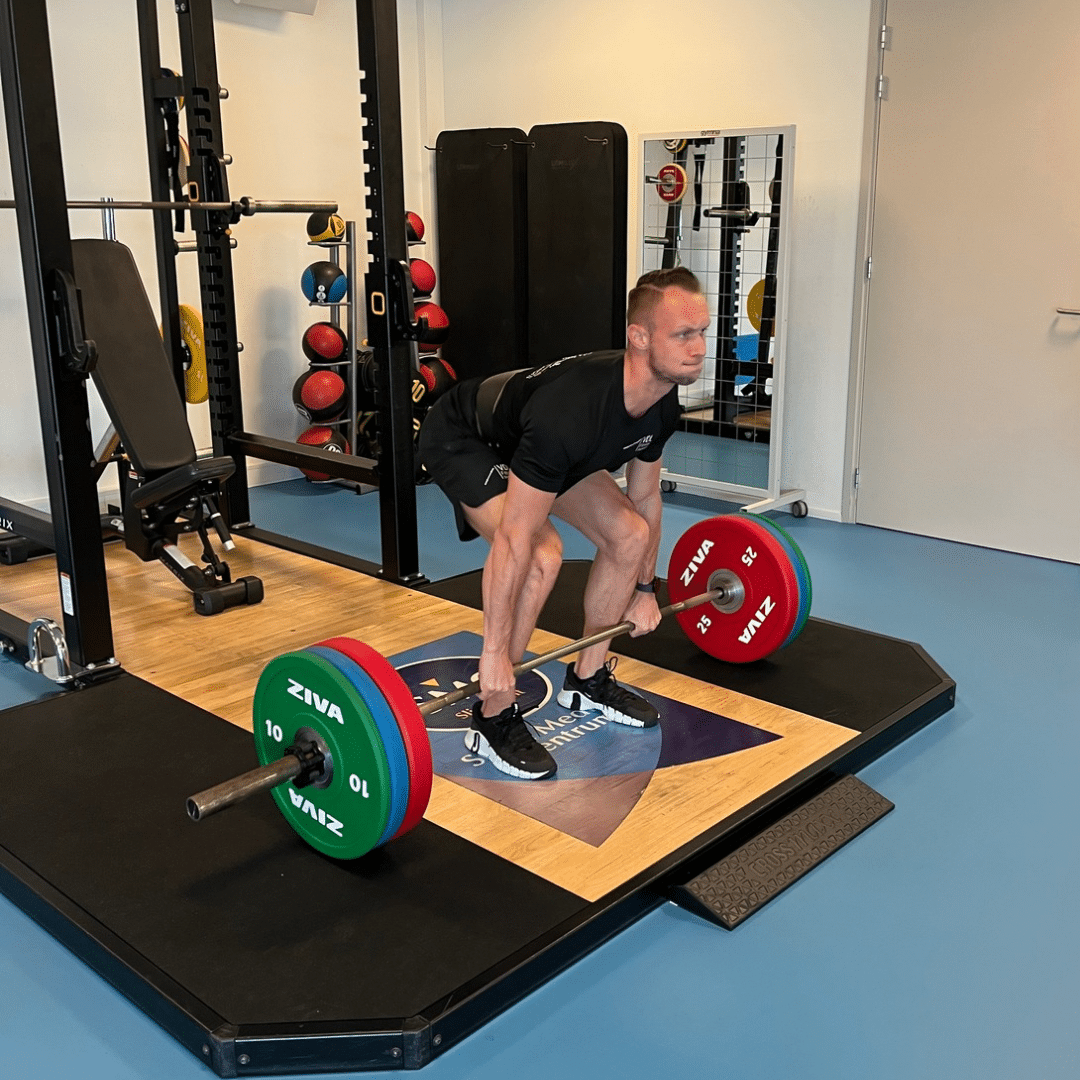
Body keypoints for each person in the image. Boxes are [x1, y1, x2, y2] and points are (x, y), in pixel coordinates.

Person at [418, 267, 709, 780]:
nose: (699, 347)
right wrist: (492, 654)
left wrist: (645, 588)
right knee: (540, 555)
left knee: (630, 535)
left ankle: (588, 678)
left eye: (702, 332)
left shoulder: (661, 404)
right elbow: (513, 538)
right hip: (466, 437)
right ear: (638, 337)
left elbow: (644, 500)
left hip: (539, 448)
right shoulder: (571, 414)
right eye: (683, 334)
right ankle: (492, 715)